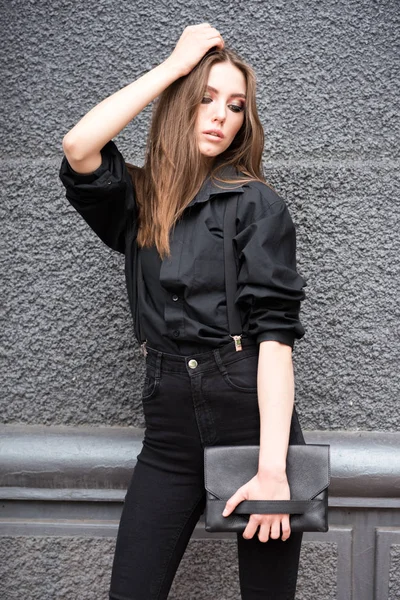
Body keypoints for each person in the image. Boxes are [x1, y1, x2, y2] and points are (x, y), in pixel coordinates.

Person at [59, 23, 307, 600]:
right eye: (206, 99)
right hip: (168, 427)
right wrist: (175, 68)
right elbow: (78, 146)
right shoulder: (140, 202)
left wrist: (273, 470)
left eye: (236, 105)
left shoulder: (258, 204)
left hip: (252, 424)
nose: (221, 115)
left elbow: (275, 342)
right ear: (181, 107)